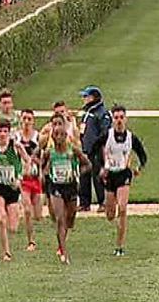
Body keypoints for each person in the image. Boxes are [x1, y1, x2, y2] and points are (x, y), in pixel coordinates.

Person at [94, 105, 148, 256]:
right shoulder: (107, 135)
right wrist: (101, 167)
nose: (119, 121)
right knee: (110, 214)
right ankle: (114, 223)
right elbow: (93, 149)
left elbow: (143, 155)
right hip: (110, 176)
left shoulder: (131, 138)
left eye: (121, 118)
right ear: (112, 120)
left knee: (123, 208)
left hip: (124, 174)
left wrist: (138, 168)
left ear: (126, 119)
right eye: (116, 118)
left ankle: (120, 246)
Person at [43, 115, 91, 264]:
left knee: (70, 219)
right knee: (60, 218)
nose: (59, 138)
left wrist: (78, 173)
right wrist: (44, 173)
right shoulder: (49, 152)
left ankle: (62, 239)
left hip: (70, 187)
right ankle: (63, 251)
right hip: (56, 186)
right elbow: (42, 167)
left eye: (62, 134)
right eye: (56, 135)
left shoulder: (73, 150)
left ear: (66, 135)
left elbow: (87, 164)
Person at [0, 119, 32, 261]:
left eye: (5, 131)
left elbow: (27, 161)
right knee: (1, 219)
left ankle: (19, 239)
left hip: (13, 188)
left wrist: (20, 177)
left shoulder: (15, 146)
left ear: (9, 132)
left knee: (13, 227)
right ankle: (6, 252)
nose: (2, 134)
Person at [78, 86, 111, 212]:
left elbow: (105, 132)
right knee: (84, 176)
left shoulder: (102, 113)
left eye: (86, 96)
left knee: (98, 177)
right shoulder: (88, 113)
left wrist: (97, 146)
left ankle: (103, 202)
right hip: (85, 150)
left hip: (97, 150)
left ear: (94, 98)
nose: (84, 99)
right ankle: (84, 203)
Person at [16, 109, 42, 251]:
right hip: (23, 178)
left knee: (37, 214)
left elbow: (43, 158)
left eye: (29, 119)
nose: (26, 122)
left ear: (33, 121)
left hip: (36, 178)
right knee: (27, 210)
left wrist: (34, 161)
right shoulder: (16, 138)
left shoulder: (37, 137)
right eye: (24, 118)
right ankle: (31, 241)